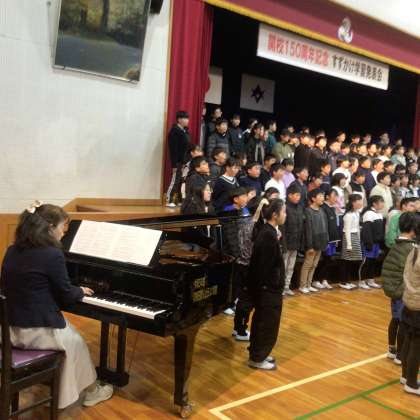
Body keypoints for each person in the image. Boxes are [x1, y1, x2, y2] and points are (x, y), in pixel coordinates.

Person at [1, 203, 113, 409]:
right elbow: (66, 294)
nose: (63, 233)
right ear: (50, 227)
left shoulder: (12, 250)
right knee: (76, 342)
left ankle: (57, 382)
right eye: (63, 227)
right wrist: (80, 290)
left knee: (71, 334)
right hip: (34, 332)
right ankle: (92, 391)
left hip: (8, 329)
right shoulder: (52, 254)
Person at [247, 199, 286, 370]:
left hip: (268, 289)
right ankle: (257, 357)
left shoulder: (269, 232)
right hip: (268, 289)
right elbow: (263, 267)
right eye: (284, 212)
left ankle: (259, 353)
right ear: (275, 215)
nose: (285, 215)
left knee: (265, 322)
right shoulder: (268, 235)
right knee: (266, 324)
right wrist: (268, 287)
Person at [382, 212, 420, 365]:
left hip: (394, 290)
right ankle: (400, 355)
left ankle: (392, 349)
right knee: (404, 323)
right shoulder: (410, 249)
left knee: (396, 320)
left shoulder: (397, 245)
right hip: (402, 291)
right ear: (413, 230)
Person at [400, 227, 420, 396]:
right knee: (417, 345)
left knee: (409, 339)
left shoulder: (414, 250)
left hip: (408, 301)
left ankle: (406, 376)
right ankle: (411, 383)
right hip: (418, 305)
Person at [299, 189, 329, 294]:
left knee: (314, 265)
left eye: (323, 196)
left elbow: (325, 227)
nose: (322, 198)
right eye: (320, 196)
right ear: (313, 198)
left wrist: (326, 241)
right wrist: (310, 246)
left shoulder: (322, 211)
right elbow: (308, 230)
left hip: (321, 241)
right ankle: (302, 285)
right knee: (308, 264)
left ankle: (309, 284)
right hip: (312, 243)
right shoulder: (308, 211)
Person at [316, 188, 340, 290]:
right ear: (327, 197)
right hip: (326, 239)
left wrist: (336, 239)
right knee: (323, 260)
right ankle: (317, 280)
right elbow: (323, 226)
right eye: (334, 196)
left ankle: (324, 279)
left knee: (329, 260)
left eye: (336, 196)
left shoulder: (332, 208)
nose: (336, 198)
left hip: (333, 240)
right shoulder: (323, 208)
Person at [360, 195, 385, 289]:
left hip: (376, 243)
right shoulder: (368, 214)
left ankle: (370, 280)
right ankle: (362, 281)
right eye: (381, 202)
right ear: (374, 203)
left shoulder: (379, 214)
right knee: (366, 262)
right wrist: (368, 243)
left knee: (373, 262)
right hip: (369, 243)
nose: (383, 204)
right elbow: (366, 231)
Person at [166, 111, 190, 207]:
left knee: (181, 181)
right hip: (178, 161)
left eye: (187, 118)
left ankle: (178, 200)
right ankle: (169, 200)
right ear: (179, 119)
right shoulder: (175, 131)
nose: (187, 120)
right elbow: (173, 150)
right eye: (185, 118)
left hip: (184, 161)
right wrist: (174, 165)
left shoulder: (185, 131)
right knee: (175, 181)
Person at [283, 184, 304, 296]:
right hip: (286, 242)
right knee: (284, 266)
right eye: (296, 195)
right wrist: (284, 243)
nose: (298, 197)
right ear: (290, 195)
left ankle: (287, 286)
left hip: (296, 242)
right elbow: (283, 227)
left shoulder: (300, 208)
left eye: (299, 195)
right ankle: (281, 287)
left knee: (291, 266)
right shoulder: (285, 207)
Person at [340, 194, 364, 290]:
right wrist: (349, 244)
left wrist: (358, 238)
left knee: (352, 260)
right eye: (359, 201)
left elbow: (357, 227)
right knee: (346, 260)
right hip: (349, 237)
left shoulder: (357, 213)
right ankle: (343, 281)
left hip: (355, 237)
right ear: (353, 202)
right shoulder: (348, 215)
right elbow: (347, 230)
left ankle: (348, 280)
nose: (361, 203)